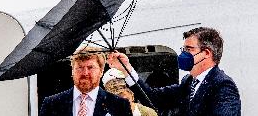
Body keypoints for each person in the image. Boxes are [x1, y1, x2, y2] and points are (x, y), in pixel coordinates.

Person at [107, 27, 241, 116]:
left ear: (206, 53)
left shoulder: (223, 86)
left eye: (189, 49)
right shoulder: (189, 82)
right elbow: (153, 98)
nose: (183, 54)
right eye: (183, 49)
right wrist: (126, 69)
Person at [40, 46, 133, 116]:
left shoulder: (119, 105)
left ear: (101, 71)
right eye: (79, 68)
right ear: (72, 71)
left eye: (90, 67)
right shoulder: (52, 104)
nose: (85, 73)